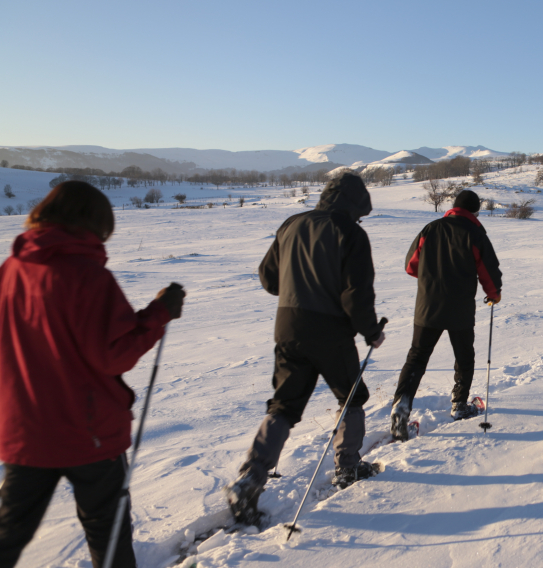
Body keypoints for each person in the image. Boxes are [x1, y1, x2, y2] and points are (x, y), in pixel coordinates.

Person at [0, 181, 185, 568]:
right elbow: (112, 355)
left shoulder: (12, 269)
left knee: (9, 532)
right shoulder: (89, 277)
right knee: (108, 530)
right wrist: (159, 314)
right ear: (96, 223)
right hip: (89, 432)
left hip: (24, 429)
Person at [225, 171, 386, 525]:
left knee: (284, 404)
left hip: (288, 325)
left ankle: (250, 478)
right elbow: (356, 295)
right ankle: (347, 467)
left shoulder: (292, 223)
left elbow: (269, 277)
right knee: (351, 396)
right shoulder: (352, 233)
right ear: (357, 204)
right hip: (330, 330)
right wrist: (371, 331)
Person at [391, 190, 502, 441]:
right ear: (474, 211)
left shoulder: (431, 228)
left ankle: (401, 408)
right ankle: (460, 404)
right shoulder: (475, 232)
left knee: (416, 357)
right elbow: (487, 268)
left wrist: (432, 276)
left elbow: (411, 265)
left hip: (427, 306)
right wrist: (493, 293)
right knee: (464, 356)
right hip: (460, 307)